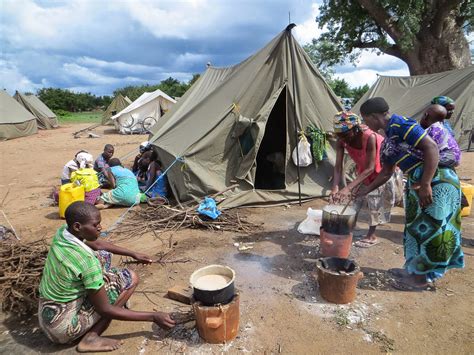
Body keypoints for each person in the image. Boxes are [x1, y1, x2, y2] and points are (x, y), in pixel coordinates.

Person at [356, 97, 464, 290]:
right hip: (419, 182)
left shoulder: (401, 124)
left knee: (431, 230)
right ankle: (413, 270)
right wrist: (364, 190)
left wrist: (426, 184)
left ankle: (421, 279)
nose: (365, 124)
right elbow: (387, 171)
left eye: (365, 119)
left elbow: (431, 148)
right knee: (416, 230)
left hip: (436, 181)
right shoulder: (389, 137)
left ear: (374, 117)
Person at [38, 201, 175, 352]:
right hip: (64, 328)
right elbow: (104, 309)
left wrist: (133, 253)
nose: (100, 228)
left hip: (48, 315)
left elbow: (97, 245)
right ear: (77, 226)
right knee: (130, 278)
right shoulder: (86, 261)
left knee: (103, 255)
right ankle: (91, 338)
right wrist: (153, 316)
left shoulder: (64, 233)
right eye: (95, 225)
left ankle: (110, 301)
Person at [330, 111, 394, 248]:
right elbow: (338, 166)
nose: (343, 139)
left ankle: (371, 235)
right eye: (340, 136)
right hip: (364, 170)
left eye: (346, 135)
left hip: (381, 171)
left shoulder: (369, 137)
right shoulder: (342, 139)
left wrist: (347, 187)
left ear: (356, 129)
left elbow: (371, 168)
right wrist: (335, 187)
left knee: (374, 201)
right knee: (356, 200)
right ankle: (348, 228)